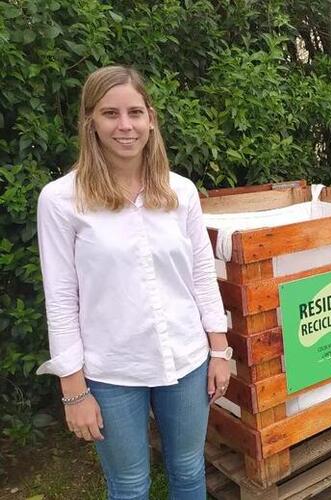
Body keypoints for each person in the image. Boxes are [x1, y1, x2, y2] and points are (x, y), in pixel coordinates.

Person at [35, 65, 232, 499]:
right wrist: (73, 390)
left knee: (187, 471)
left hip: (186, 361)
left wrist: (219, 350)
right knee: (128, 485)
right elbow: (61, 297)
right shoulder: (61, 200)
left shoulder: (181, 192)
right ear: (90, 122)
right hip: (112, 371)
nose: (125, 126)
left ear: (151, 118)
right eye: (110, 114)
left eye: (135, 112)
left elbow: (202, 273)